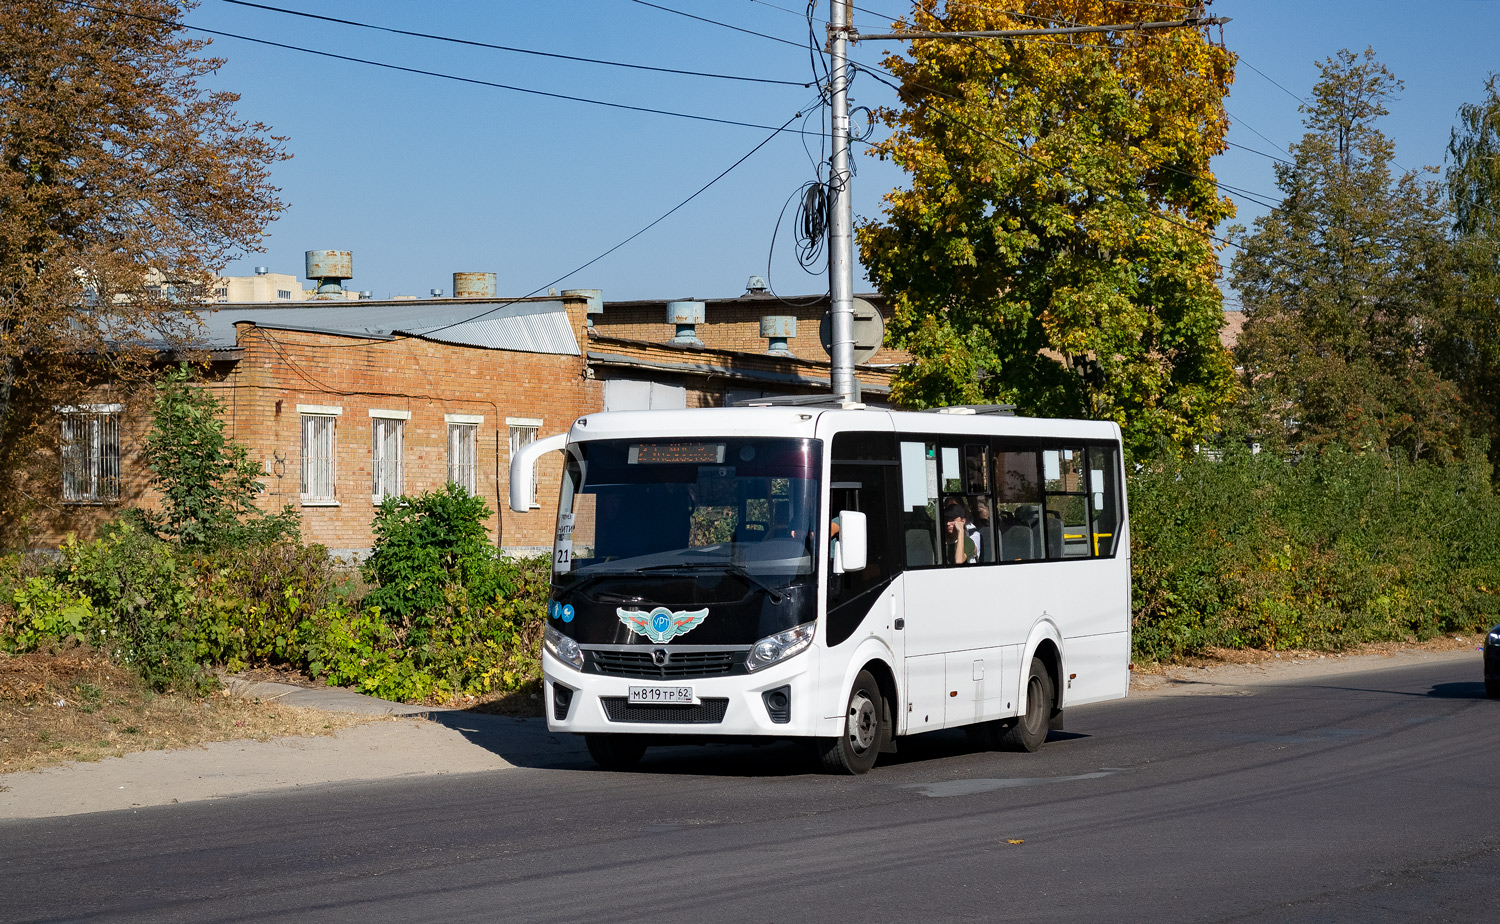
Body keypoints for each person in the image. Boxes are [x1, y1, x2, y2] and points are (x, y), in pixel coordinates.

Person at [942, 500, 980, 564]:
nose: (948, 523)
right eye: (946, 519)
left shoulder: (968, 542)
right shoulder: (939, 540)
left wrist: (960, 531)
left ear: (963, 521)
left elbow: (959, 561)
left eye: (952, 520)